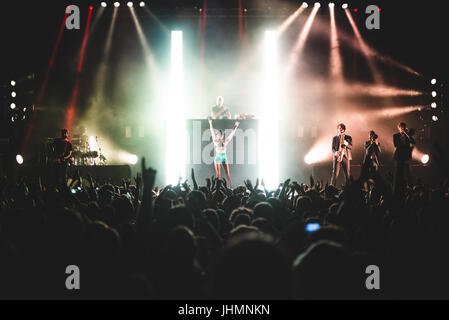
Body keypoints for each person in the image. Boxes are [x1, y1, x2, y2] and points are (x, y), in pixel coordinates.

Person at [208, 118, 239, 188]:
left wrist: (235, 127)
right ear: (217, 135)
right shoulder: (215, 140)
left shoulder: (225, 141)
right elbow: (212, 131)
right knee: (218, 174)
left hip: (223, 157)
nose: (220, 135)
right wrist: (210, 123)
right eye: (219, 134)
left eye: (221, 134)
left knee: (227, 173)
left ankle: (230, 187)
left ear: (222, 135)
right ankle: (217, 187)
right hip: (218, 157)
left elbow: (231, 134)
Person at [393, 122, 415, 196]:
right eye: (401, 127)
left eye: (404, 127)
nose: (402, 129)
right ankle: (397, 190)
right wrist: (401, 140)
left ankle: (409, 190)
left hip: (406, 157)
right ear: (399, 128)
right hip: (399, 157)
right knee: (399, 174)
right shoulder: (395, 136)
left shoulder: (407, 135)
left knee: (408, 173)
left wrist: (407, 135)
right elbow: (396, 145)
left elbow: (413, 142)